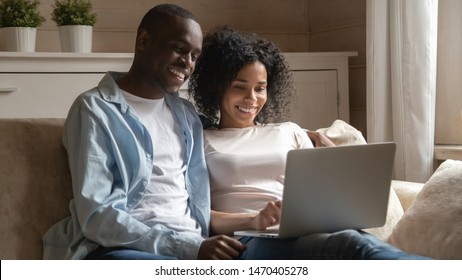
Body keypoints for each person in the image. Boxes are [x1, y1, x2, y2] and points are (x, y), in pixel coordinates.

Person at [187, 26, 430, 259]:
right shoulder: (200, 140)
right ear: (216, 87)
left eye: (260, 89)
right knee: (351, 245)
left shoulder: (289, 131)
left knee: (362, 242)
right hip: (248, 238)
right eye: (240, 87)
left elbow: (325, 194)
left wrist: (335, 159)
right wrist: (253, 220)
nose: (251, 98)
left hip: (312, 232)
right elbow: (195, 213)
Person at [42, 4, 245, 260]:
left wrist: (301, 135)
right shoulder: (94, 109)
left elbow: (232, 133)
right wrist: (188, 248)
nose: (188, 64)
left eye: (195, 56)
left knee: (304, 247)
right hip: (123, 250)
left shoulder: (186, 114)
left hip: (197, 246)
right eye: (180, 49)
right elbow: (96, 215)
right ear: (144, 41)